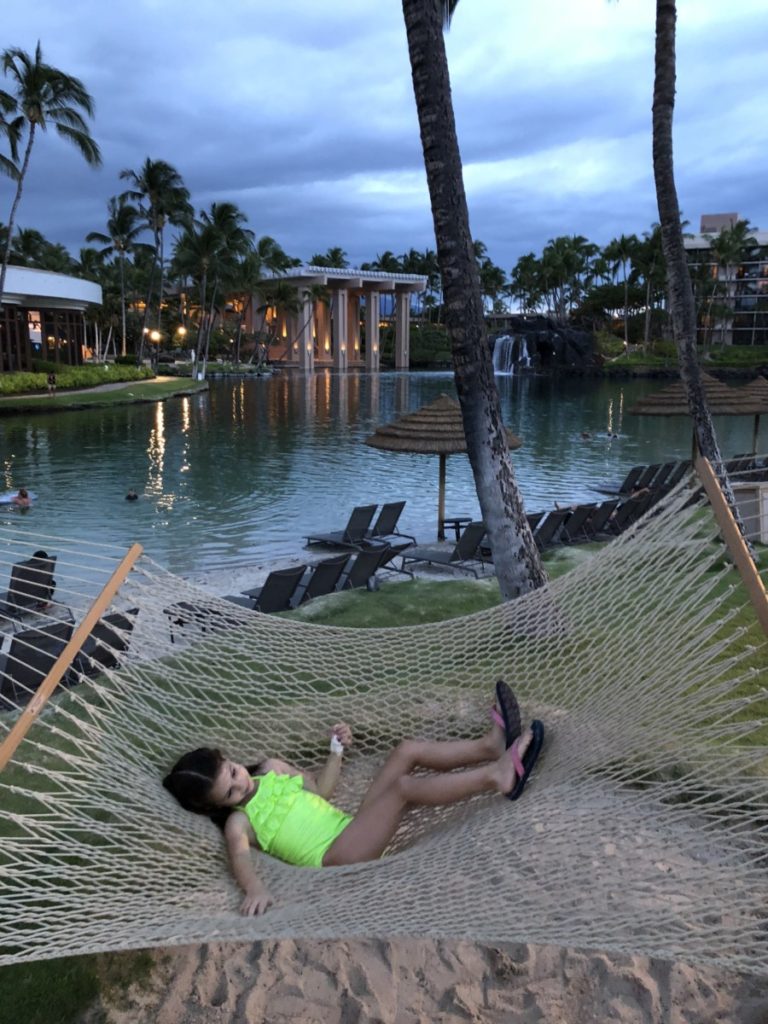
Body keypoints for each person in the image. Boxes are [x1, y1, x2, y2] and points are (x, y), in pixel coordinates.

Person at [163, 682, 544, 916]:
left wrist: (336, 750)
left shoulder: (272, 769)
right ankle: (498, 776)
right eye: (229, 792)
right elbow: (241, 860)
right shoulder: (238, 823)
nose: (239, 785)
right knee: (402, 789)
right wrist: (255, 889)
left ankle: (490, 746)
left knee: (406, 751)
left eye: (232, 772)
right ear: (216, 806)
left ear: (231, 759)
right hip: (338, 858)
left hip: (351, 828)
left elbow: (321, 791)